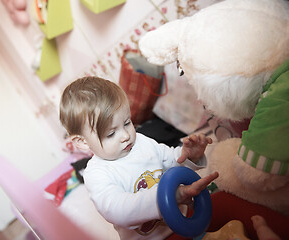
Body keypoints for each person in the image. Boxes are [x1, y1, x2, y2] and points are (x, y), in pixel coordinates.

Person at [59, 76, 218, 240]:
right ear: (83, 142)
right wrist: (170, 195)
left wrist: (188, 156)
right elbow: (118, 210)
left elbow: (170, 161)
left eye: (127, 122)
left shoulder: (141, 142)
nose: (125, 135)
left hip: (185, 223)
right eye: (111, 133)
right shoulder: (96, 173)